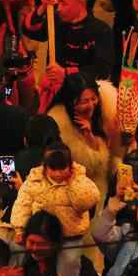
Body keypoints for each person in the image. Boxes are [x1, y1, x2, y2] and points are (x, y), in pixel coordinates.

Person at [22, 0, 114, 81]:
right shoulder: (56, 21)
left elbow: (103, 71)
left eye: (64, 3)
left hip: (84, 89)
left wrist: (66, 73)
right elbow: (29, 31)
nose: (59, 8)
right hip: (54, 87)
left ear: (81, 3)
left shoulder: (101, 30)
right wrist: (43, 6)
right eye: (58, 3)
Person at [47, 74, 113, 204]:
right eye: (84, 101)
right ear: (70, 102)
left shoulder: (103, 111)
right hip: (72, 194)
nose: (91, 105)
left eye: (93, 99)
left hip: (97, 190)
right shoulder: (59, 124)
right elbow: (91, 166)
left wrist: (90, 135)